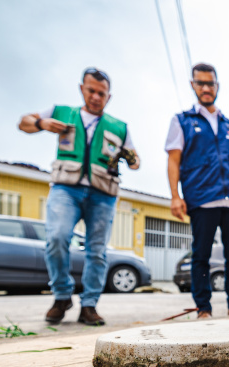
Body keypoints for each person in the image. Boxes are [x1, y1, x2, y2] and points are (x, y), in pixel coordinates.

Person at [18, 67, 140, 326]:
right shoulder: (61, 113)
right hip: (66, 189)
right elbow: (24, 122)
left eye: (102, 93)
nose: (96, 97)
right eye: (91, 91)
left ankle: (89, 304)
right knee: (57, 237)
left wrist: (130, 157)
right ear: (82, 89)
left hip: (103, 193)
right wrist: (42, 124)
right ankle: (62, 295)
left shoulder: (119, 127)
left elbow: (135, 161)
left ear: (109, 96)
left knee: (97, 251)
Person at [165, 63, 229, 319]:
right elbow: (173, 159)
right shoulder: (182, 121)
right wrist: (175, 195)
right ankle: (203, 306)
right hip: (202, 199)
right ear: (193, 85)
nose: (206, 88)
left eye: (210, 83)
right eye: (200, 83)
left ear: (217, 86)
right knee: (201, 254)